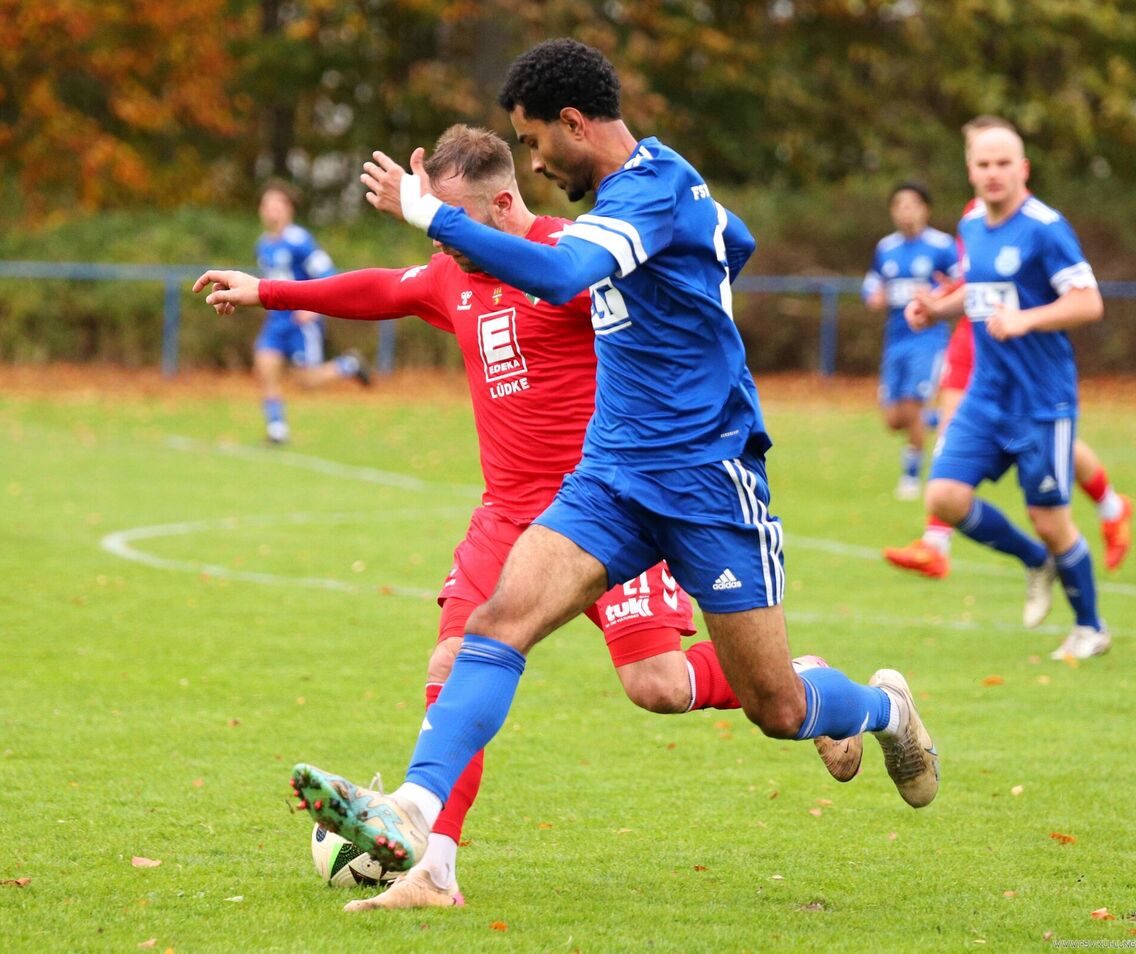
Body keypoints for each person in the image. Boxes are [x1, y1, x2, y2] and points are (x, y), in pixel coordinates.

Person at [284, 38, 940, 883]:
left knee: (775, 705)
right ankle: (416, 824)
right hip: (610, 476)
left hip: (706, 481)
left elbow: (566, 277)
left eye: (533, 141)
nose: (534, 162)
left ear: (573, 123)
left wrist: (432, 215)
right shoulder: (639, 200)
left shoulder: (652, 191)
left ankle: (885, 709)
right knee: (496, 623)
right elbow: (732, 238)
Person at [197, 125, 860, 909]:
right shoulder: (453, 274)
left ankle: (803, 682)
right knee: (452, 662)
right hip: (509, 517)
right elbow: (382, 289)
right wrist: (267, 290)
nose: (444, 243)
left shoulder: (579, 262)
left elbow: (679, 294)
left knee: (656, 685)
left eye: (454, 222)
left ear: (504, 204)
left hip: (610, 506)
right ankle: (434, 869)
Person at [883, 119, 1133, 578]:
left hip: (1012, 341)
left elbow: (1046, 289)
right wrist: (938, 306)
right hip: (975, 336)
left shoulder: (1029, 220)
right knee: (956, 426)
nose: (989, 170)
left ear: (1020, 165)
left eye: (999, 160)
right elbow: (976, 279)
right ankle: (937, 541)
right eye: (978, 159)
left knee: (1049, 442)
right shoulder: (974, 215)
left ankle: (1111, 506)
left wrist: (1014, 316)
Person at [252, 181, 370, 444]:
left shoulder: (300, 241)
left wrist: (312, 308)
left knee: (306, 380)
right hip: (277, 320)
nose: (270, 210)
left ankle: (349, 365)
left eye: (276, 205)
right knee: (264, 365)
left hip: (301, 321)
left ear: (288, 209)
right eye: (266, 205)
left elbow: (327, 273)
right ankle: (277, 429)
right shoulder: (263, 245)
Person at [862, 182, 958, 500]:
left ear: (925, 209)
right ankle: (940, 418)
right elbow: (872, 283)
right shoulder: (886, 247)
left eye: (912, 205)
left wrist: (938, 296)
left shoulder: (942, 245)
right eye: (900, 205)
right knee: (893, 419)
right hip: (895, 340)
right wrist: (873, 295)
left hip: (927, 339)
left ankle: (911, 476)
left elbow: (962, 283)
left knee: (913, 406)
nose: (906, 212)